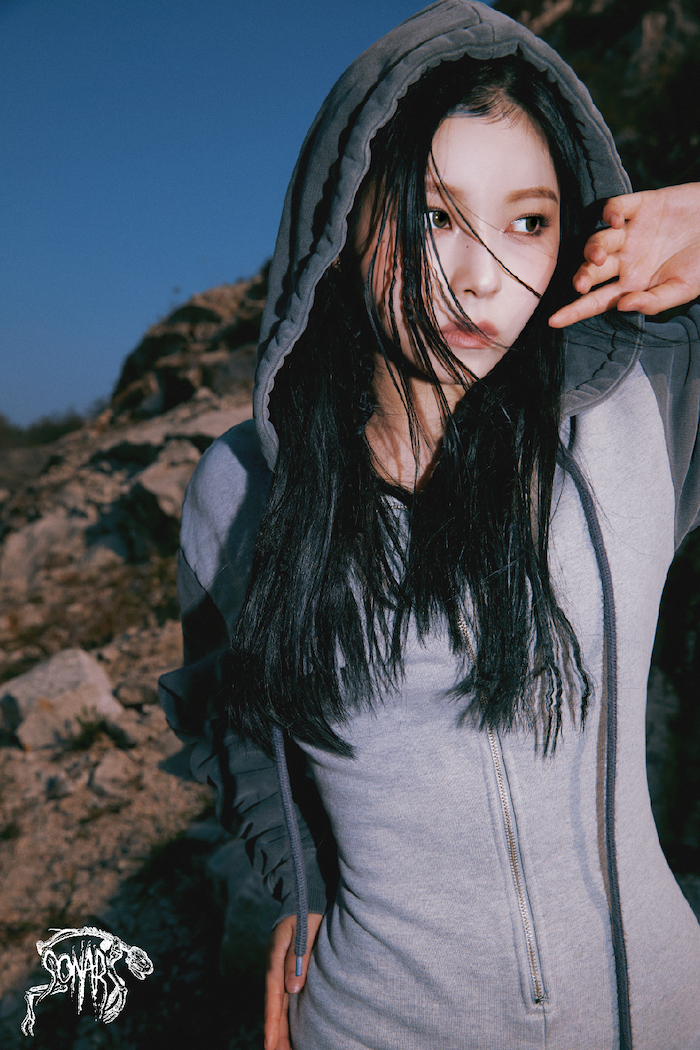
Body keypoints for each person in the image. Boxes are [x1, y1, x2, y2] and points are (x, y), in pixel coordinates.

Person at [158, 3, 700, 1047]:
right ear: (345, 218)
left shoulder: (643, 408)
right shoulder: (243, 485)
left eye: (528, 222)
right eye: (433, 216)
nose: (480, 275)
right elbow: (236, 726)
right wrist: (293, 889)